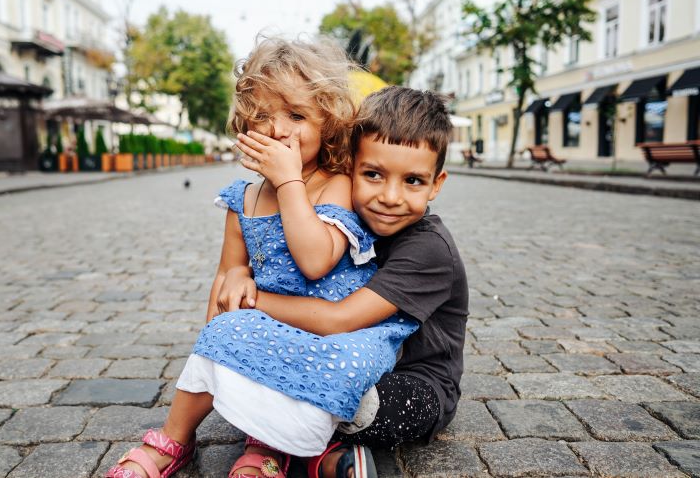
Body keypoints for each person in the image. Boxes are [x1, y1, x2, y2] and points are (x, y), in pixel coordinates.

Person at [106, 38, 418, 478]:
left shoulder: (335, 185)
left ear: (327, 122)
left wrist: (290, 182)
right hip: (267, 324)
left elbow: (315, 261)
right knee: (223, 335)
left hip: (331, 331)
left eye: (296, 115)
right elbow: (225, 276)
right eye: (263, 116)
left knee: (325, 372)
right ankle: (173, 441)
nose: (278, 130)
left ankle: (268, 447)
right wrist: (221, 321)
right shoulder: (244, 200)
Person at [225, 86, 469, 477]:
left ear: (436, 184)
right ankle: (318, 447)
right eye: (373, 174)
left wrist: (251, 301)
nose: (390, 197)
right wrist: (239, 271)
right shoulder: (337, 218)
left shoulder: (429, 249)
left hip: (413, 382)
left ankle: (320, 451)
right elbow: (279, 269)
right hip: (346, 357)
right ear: (349, 167)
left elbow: (338, 319)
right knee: (299, 376)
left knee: (352, 397)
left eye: (413, 181)